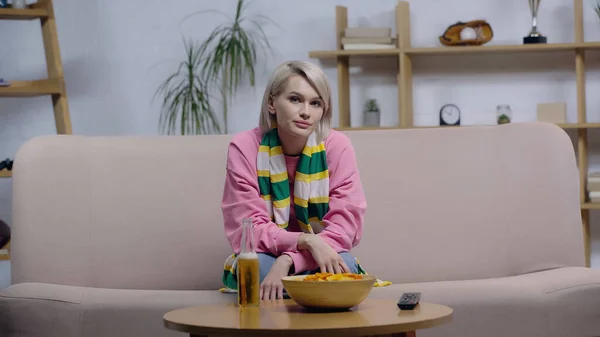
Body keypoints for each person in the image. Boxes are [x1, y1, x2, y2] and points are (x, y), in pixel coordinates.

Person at [221, 60, 367, 301]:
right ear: (271, 103)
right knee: (256, 268)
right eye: (295, 99)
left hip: (322, 252)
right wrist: (305, 240)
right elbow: (248, 229)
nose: (306, 112)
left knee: (344, 267)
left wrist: (289, 260)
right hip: (265, 255)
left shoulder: (338, 147)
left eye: (316, 103)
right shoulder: (244, 147)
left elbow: (344, 228)